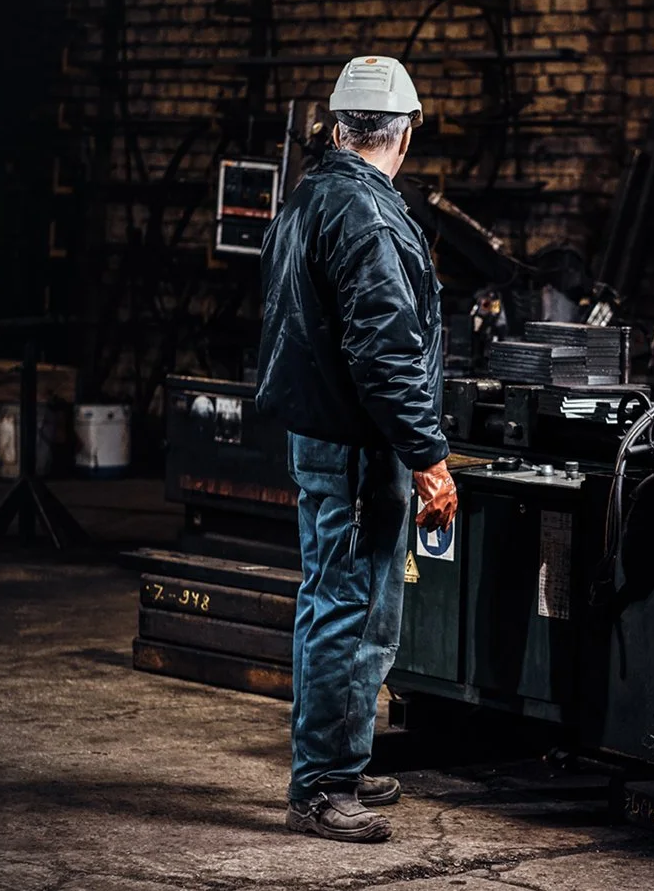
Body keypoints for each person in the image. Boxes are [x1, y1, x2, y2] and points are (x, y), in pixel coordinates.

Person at [255, 55, 458, 843]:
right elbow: (384, 352)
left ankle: (344, 753)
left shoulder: (312, 196)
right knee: (344, 608)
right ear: (404, 133)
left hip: (332, 433)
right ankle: (319, 786)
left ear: (340, 128)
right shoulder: (369, 215)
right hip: (356, 442)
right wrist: (429, 457)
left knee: (363, 609)